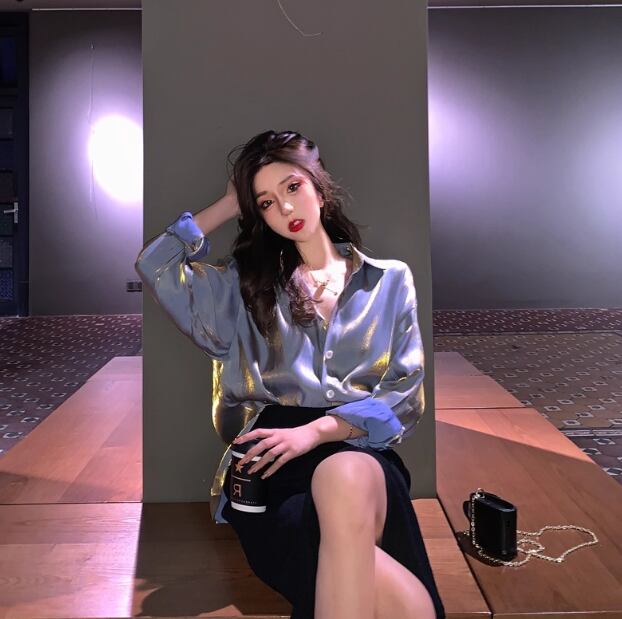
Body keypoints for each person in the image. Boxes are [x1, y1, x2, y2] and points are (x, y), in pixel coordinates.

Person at [135, 129, 445, 619]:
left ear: (319, 186)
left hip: (356, 447)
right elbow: (155, 264)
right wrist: (229, 203)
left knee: (345, 473)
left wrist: (318, 432)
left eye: (293, 187)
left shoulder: (390, 280)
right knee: (406, 605)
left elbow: (405, 395)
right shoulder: (244, 288)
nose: (284, 207)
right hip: (272, 463)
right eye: (265, 202)